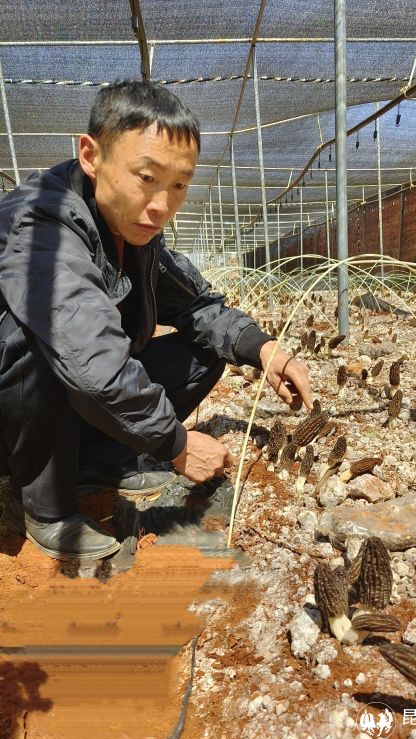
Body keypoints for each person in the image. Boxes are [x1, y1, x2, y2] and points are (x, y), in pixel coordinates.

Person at [0, 80, 312, 562]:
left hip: (64, 403)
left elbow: (196, 306)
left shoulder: (136, 233)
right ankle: (42, 503)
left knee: (207, 348)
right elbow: (88, 357)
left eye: (179, 185)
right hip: (11, 414)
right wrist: (176, 442)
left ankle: (91, 465)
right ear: (90, 155)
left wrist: (264, 348)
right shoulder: (43, 223)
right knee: (36, 334)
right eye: (146, 177)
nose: (162, 206)